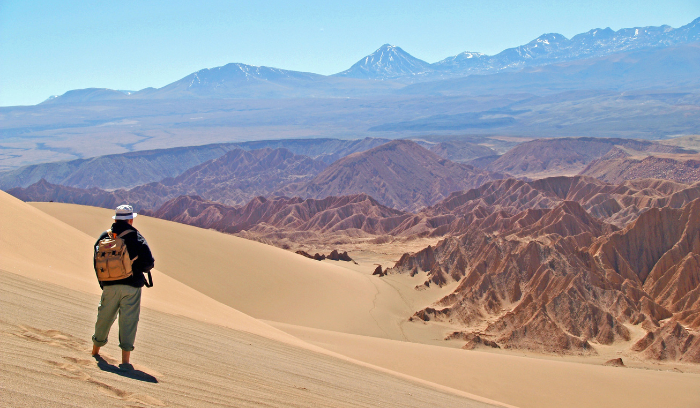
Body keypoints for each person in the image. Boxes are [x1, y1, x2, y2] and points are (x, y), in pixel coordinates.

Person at [91, 204, 154, 367]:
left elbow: (96, 260)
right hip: (131, 287)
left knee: (104, 317)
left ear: (116, 219)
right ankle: (125, 360)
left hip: (109, 285)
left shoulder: (105, 236)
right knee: (128, 321)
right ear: (130, 220)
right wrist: (134, 269)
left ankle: (95, 350)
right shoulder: (136, 237)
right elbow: (149, 263)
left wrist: (104, 282)